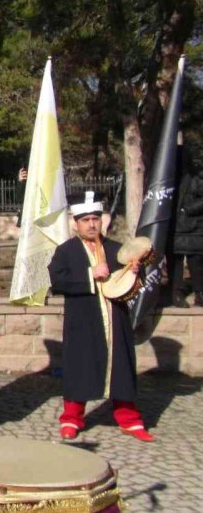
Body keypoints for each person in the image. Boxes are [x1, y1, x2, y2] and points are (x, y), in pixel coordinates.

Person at [48, 191, 154, 442]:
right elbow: (57, 282)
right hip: (82, 321)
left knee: (121, 366)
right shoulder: (66, 252)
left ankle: (129, 419)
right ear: (76, 223)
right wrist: (90, 274)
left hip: (116, 318)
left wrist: (134, 271)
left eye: (95, 218)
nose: (92, 224)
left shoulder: (117, 249)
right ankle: (72, 418)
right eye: (86, 220)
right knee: (80, 366)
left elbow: (130, 285)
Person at [173, 154, 203, 307]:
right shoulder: (168, 178)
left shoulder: (197, 179)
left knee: (196, 261)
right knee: (175, 261)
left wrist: (188, 210)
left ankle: (200, 293)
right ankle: (176, 293)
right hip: (174, 226)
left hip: (194, 226)